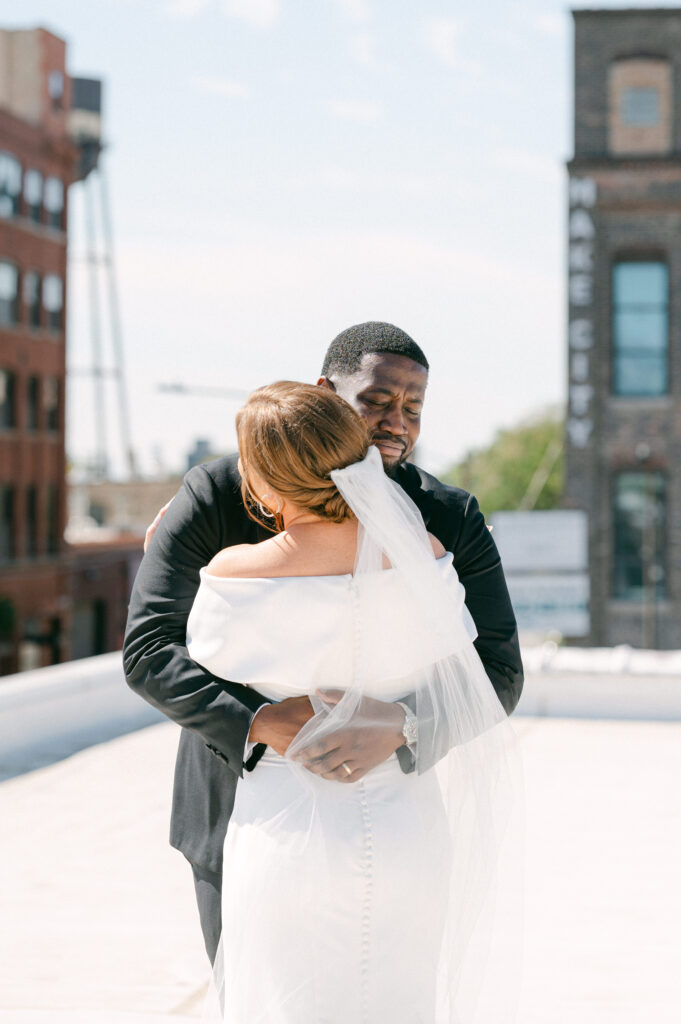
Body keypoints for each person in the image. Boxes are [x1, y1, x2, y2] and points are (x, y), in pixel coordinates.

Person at [123, 321, 523, 973]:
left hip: (394, 823)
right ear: (323, 393)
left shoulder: (448, 517)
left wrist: (406, 723)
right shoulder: (219, 493)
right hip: (237, 817)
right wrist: (258, 721)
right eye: (376, 400)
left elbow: (499, 673)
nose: (396, 423)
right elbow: (148, 650)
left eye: (413, 408)